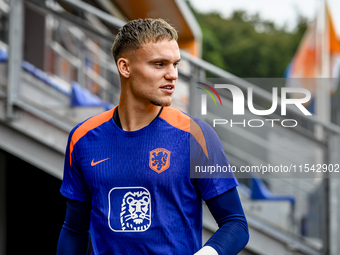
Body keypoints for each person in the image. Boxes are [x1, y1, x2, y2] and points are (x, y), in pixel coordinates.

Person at [57, 18, 249, 255]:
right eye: (159, 64)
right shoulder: (83, 138)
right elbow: (74, 230)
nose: (172, 75)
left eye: (175, 64)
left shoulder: (195, 135)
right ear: (125, 67)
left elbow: (236, 224)